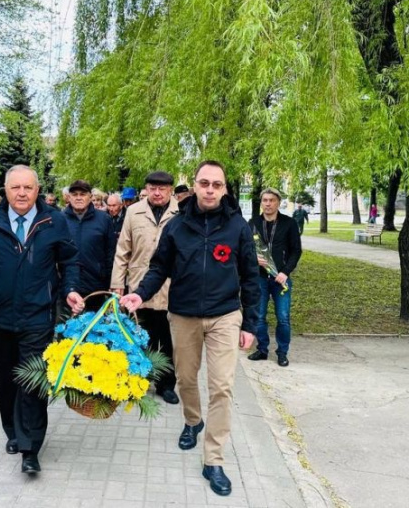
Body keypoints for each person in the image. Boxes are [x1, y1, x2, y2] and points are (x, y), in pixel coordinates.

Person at [120, 160, 260, 497]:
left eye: (217, 184)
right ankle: (193, 420)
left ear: (225, 189)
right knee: (185, 379)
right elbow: (158, 268)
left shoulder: (238, 228)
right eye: (204, 183)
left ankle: (213, 458)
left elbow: (251, 278)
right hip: (182, 315)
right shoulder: (177, 227)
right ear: (194, 186)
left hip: (225, 315)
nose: (210, 189)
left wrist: (251, 323)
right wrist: (139, 294)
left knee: (222, 387)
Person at [0, 165, 84, 475]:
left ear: (38, 191)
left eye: (28, 187)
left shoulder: (54, 220)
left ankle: (31, 447)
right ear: (6, 190)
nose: (22, 193)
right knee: (7, 379)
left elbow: (69, 261)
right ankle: (13, 431)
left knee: (33, 380)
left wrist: (70, 290)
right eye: (16, 188)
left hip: (38, 316)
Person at [111, 171, 180, 405]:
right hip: (139, 287)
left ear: (171, 190)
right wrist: (117, 284)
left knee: (168, 340)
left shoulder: (181, 213)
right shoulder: (133, 212)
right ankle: (138, 382)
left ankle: (166, 384)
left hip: (171, 288)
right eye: (152, 188)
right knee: (139, 336)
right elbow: (122, 252)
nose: (157, 192)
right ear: (147, 189)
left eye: (162, 188)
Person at [248, 188, 302, 367]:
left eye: (272, 200)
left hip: (281, 279)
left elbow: (296, 251)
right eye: (265, 200)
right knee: (259, 316)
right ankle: (262, 349)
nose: (268, 204)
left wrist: (285, 272)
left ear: (278, 202)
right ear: (261, 202)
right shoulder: (253, 223)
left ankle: (282, 352)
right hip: (259, 278)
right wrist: (254, 259)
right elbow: (245, 249)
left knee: (283, 317)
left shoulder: (289, 223)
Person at [63, 180, 116, 311]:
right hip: (67, 286)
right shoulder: (60, 219)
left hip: (96, 285)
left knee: (96, 327)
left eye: (83, 194)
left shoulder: (104, 219)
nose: (79, 197)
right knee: (68, 328)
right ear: (69, 197)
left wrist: (110, 281)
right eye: (75, 194)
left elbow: (111, 252)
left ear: (90, 197)